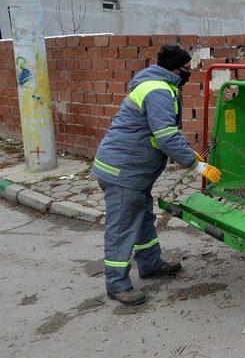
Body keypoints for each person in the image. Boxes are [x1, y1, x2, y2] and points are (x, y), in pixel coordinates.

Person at [92, 44, 221, 305]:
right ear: (175, 68)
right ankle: (116, 284)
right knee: (122, 227)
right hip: (123, 171)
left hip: (133, 171)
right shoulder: (159, 90)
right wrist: (198, 167)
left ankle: (150, 265)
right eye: (187, 69)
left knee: (143, 218)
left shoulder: (160, 84)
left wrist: (188, 152)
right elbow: (165, 137)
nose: (189, 73)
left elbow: (162, 131)